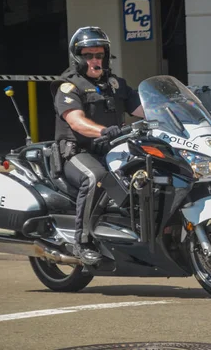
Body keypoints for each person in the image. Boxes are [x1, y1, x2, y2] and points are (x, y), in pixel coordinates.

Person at [53, 26, 145, 265]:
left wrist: (175, 113)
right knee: (96, 177)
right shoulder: (69, 87)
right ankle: (82, 243)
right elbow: (76, 121)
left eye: (99, 55)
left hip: (112, 150)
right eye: (89, 55)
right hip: (78, 153)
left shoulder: (115, 84)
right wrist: (102, 131)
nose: (95, 60)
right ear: (78, 57)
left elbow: (141, 109)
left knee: (148, 169)